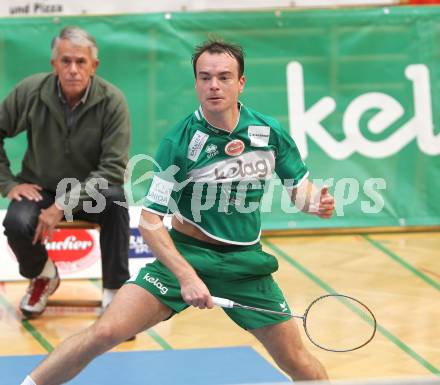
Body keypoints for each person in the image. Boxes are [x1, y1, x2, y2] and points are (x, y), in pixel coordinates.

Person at [20, 39, 335, 385]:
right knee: (105, 332)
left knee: (299, 363)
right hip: (185, 258)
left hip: (246, 266)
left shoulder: (269, 133)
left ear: (241, 82)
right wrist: (186, 276)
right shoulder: (180, 142)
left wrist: (314, 203)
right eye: (205, 77)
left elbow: (299, 191)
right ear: (196, 82)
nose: (214, 85)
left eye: (224, 77)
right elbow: (150, 220)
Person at [0, 26, 131, 319]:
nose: (73, 69)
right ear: (54, 64)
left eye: (81, 62)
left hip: (90, 192)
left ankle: (114, 291)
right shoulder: (30, 91)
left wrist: (63, 204)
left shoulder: (113, 101)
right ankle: (44, 275)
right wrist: (7, 183)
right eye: (66, 61)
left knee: (116, 201)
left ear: (94, 66)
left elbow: (112, 169)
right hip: (41, 187)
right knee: (17, 223)